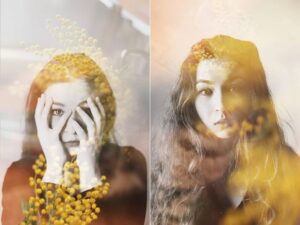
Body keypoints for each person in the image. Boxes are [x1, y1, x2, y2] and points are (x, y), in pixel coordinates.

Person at [151, 35, 300, 225]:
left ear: (253, 95)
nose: (220, 105)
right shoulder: (170, 169)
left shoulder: (289, 169)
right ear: (189, 101)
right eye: (206, 91)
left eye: (234, 89)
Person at [2, 53, 147, 225]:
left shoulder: (129, 164)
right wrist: (55, 170)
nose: (71, 127)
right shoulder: (20, 174)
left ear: (102, 114)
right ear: (38, 117)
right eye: (57, 112)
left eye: (84, 111)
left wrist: (89, 174)